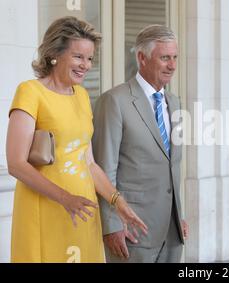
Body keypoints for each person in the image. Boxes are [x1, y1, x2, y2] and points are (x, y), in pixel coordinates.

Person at [6, 16, 148, 263]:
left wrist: (117, 202)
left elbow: (89, 162)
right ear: (54, 54)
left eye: (90, 58)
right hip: (46, 206)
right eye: (78, 56)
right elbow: (16, 164)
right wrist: (65, 198)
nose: (86, 65)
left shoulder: (82, 95)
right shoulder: (30, 92)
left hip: (82, 208)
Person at [92, 25, 187, 263]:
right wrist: (111, 225)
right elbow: (104, 169)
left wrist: (178, 216)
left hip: (172, 233)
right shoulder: (114, 101)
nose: (172, 65)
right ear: (142, 58)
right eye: (165, 58)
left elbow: (171, 168)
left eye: (175, 57)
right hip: (132, 231)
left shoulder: (175, 102)